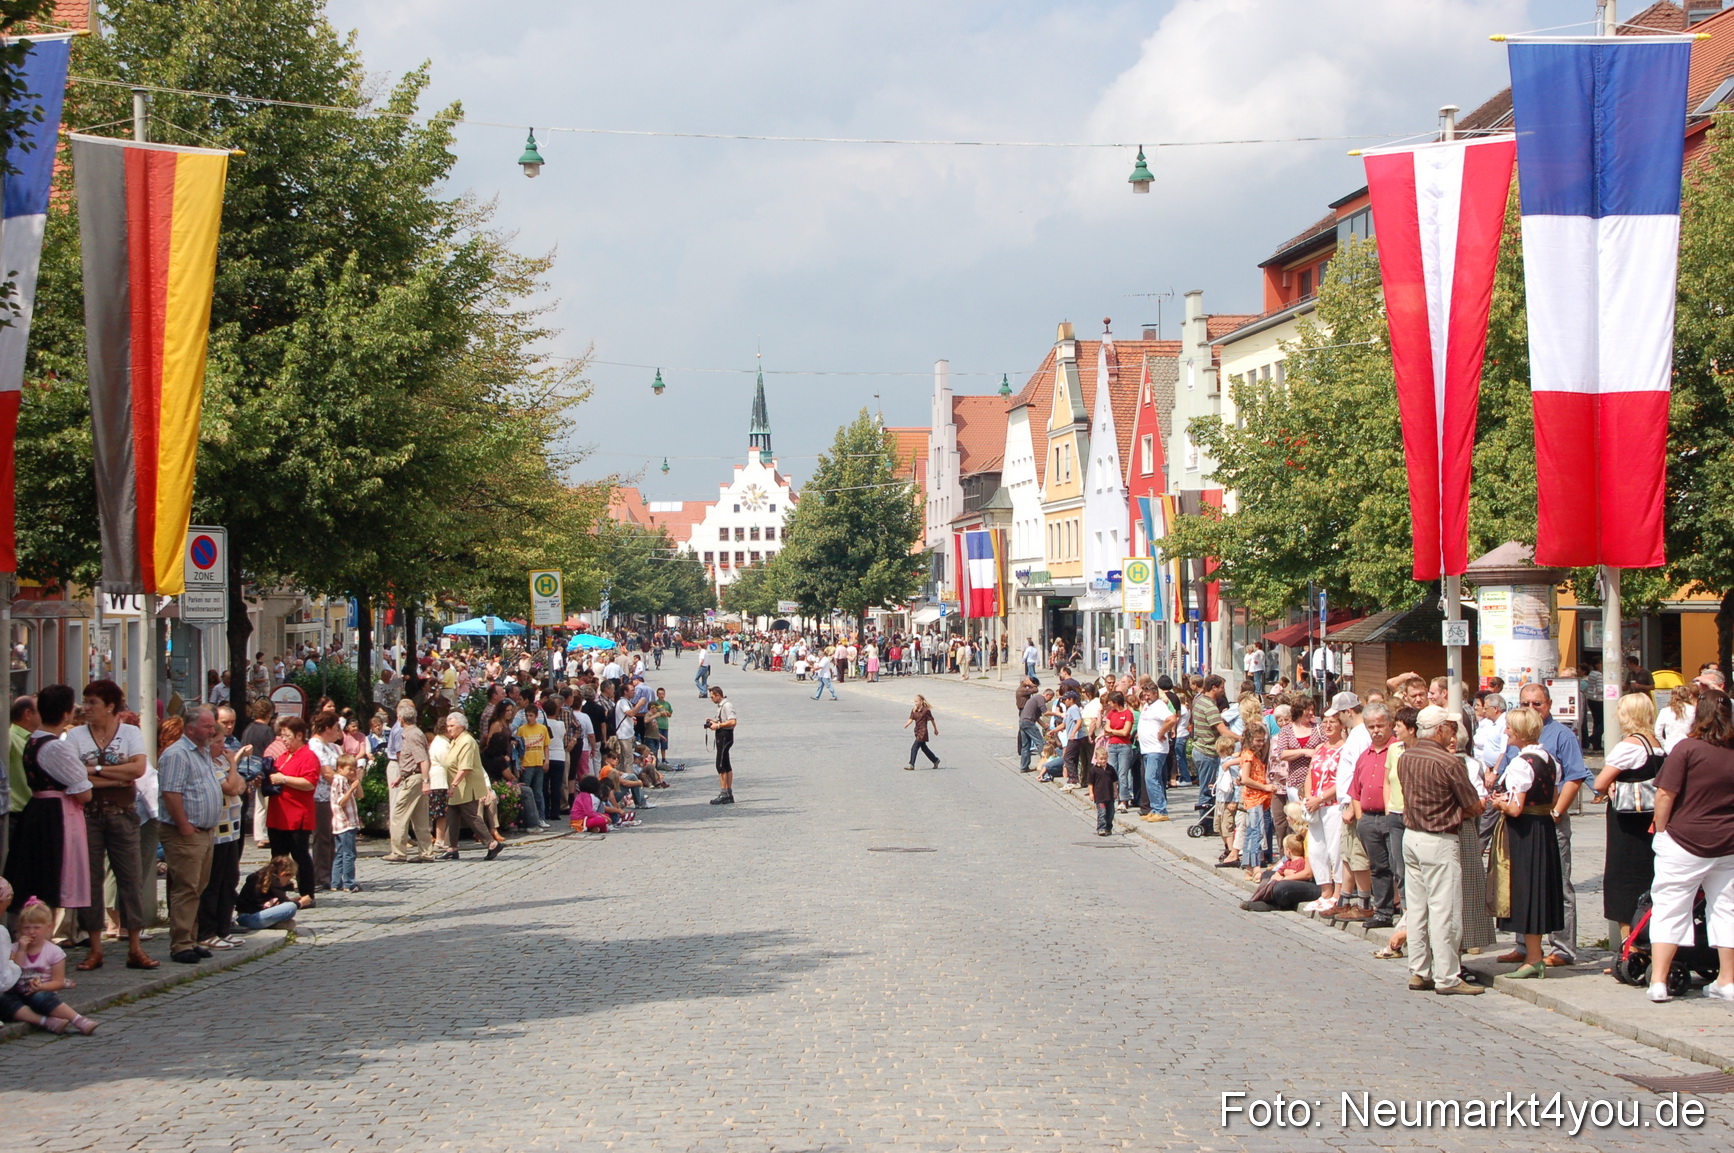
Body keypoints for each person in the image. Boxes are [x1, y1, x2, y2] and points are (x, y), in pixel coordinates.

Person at [1646, 689, 1734, 1004]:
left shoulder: (1687, 749)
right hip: (1727, 844)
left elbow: (1665, 794)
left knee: (1670, 907)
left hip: (1684, 841)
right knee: (1726, 910)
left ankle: (1659, 981)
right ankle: (1727, 980)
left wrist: (1662, 829)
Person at [1493, 681, 1589, 966]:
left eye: (1538, 703)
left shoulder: (1561, 736)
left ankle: (1562, 947)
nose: (1532, 708)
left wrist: (1557, 811)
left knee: (1558, 883)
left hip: (1545, 817)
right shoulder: (1518, 739)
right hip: (1523, 821)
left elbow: (1574, 777)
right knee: (1523, 883)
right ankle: (1524, 943)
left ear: (1548, 704)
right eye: (1526, 703)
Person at [1396, 706, 1485, 995]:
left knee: (1418, 909)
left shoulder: (1406, 756)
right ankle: (1447, 976)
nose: (1452, 731)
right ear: (1438, 730)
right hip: (1439, 838)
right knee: (1444, 910)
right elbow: (1472, 804)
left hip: (1411, 836)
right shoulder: (1449, 762)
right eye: (1448, 726)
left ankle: (1419, 970)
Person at [67, 679, 152, 972]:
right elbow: (75, 776)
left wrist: (96, 770)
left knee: (130, 878)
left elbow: (138, 769)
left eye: (93, 703)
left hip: (123, 813)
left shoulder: (128, 732)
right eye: (86, 702)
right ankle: (95, 947)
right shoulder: (77, 736)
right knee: (89, 881)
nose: (86, 708)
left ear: (110, 706)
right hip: (87, 814)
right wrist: (116, 776)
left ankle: (135, 946)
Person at [1488, 705, 1566, 981]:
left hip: (1525, 832)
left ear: (1519, 732)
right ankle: (1536, 954)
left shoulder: (1522, 763)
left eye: (1509, 727)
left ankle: (1534, 957)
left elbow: (1516, 808)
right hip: (1543, 827)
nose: (1506, 731)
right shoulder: (1548, 758)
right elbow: (1554, 798)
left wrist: (1499, 803)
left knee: (1527, 890)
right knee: (1539, 889)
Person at [3, 684, 91, 922]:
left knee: (36, 872)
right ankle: (42, 940)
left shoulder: (33, 740)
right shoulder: (55, 747)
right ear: (65, 714)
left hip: (38, 809)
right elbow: (84, 791)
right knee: (49, 875)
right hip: (55, 815)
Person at [159, 706, 240, 965]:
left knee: (198, 888)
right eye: (207, 726)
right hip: (185, 831)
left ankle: (192, 938)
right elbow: (171, 792)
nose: (212, 730)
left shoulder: (203, 752)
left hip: (206, 832)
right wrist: (183, 824)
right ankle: (181, 942)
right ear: (190, 728)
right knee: (186, 887)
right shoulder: (177, 754)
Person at [1594, 693, 1663, 943]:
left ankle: (1629, 945)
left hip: (1626, 822)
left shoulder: (1628, 747)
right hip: (1651, 820)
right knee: (1648, 878)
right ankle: (1648, 938)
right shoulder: (1659, 744)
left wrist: (1608, 785)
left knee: (1622, 881)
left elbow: (1599, 783)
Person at [5, 895, 98, 1034]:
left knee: (41, 997)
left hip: (42, 993)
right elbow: (14, 971)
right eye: (26, 928)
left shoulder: (54, 952)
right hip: (18, 995)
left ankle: (78, 1020)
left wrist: (41, 986)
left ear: (49, 928)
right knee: (4, 1000)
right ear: (19, 929)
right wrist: (22, 950)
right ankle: (46, 1022)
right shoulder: (13, 949)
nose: (31, 932)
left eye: (36, 928)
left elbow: (58, 982)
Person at [265, 717, 320, 905]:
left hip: (297, 815)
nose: (284, 740)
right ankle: (275, 892)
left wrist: (284, 779)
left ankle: (307, 894)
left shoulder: (308, 756)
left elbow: (309, 783)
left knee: (300, 855)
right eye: (282, 736)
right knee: (277, 857)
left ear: (299, 735)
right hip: (278, 814)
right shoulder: (283, 756)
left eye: (287, 736)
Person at [1302, 705, 1349, 913]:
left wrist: (1321, 798)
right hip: (1315, 806)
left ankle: (1339, 892)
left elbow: (1343, 780)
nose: (1328, 726)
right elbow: (1310, 773)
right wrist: (1310, 797)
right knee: (1316, 849)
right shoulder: (1320, 747)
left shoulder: (1345, 748)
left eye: (1333, 722)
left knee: (1335, 849)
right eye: (1325, 722)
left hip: (1333, 805)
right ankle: (1325, 891)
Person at [443, 713, 503, 860]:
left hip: (465, 786)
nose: (449, 729)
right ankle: (452, 847)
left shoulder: (467, 741)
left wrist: (453, 785)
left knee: (471, 815)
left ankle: (492, 844)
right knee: (452, 815)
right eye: (448, 726)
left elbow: (465, 767)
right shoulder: (456, 740)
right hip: (457, 787)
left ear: (462, 726)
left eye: (452, 726)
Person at [384, 698, 434, 862]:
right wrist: (401, 776)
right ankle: (426, 852)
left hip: (415, 779)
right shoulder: (414, 733)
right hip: (414, 776)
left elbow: (422, 759)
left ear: (400, 718)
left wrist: (426, 781)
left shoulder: (411, 735)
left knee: (398, 814)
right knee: (420, 817)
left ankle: (398, 852)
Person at [1137, 683, 1178, 822]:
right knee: (1153, 779)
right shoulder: (1148, 706)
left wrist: (1161, 732)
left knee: (1151, 778)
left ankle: (1160, 809)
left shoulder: (1159, 705)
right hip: (1147, 749)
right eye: (1145, 694)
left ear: (1155, 693)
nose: (1146, 697)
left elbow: (1172, 719)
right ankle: (1155, 808)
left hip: (1156, 749)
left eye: (1149, 694)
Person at [234, 855, 300, 932]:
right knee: (291, 907)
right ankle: (269, 924)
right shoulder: (274, 881)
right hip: (249, 918)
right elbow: (285, 902)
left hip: (246, 917)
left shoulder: (263, 876)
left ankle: (271, 924)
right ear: (283, 874)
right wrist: (300, 903)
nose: (287, 883)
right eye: (288, 880)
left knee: (290, 923)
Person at [329, 754, 361, 893]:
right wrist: (352, 788)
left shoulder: (341, 780)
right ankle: (349, 882)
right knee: (349, 854)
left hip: (339, 824)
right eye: (350, 769)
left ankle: (335, 882)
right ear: (340, 768)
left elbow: (361, 795)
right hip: (346, 823)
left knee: (340, 854)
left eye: (354, 769)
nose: (352, 772)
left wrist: (356, 782)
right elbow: (341, 801)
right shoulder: (341, 781)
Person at [705, 685, 737, 804]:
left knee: (720, 764)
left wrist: (718, 726)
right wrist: (714, 722)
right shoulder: (721, 706)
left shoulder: (727, 705)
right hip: (722, 735)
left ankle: (724, 793)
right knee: (726, 764)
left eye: (712, 697)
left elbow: (733, 721)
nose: (711, 699)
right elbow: (724, 719)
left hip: (725, 735)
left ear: (718, 695)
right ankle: (728, 792)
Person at [1657, 681, 1697, 753]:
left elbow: (1657, 732)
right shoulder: (1694, 710)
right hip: (1689, 747)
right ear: (1688, 695)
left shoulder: (1665, 711)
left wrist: (1664, 745)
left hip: (1670, 748)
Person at [904, 695, 940, 770]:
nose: (915, 703)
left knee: (914, 747)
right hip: (917, 731)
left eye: (917, 701)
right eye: (915, 701)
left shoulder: (926, 710)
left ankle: (911, 764)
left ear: (921, 701)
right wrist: (907, 724)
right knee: (924, 748)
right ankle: (935, 760)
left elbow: (932, 720)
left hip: (923, 732)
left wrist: (935, 729)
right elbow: (911, 718)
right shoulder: (914, 710)